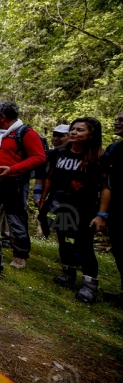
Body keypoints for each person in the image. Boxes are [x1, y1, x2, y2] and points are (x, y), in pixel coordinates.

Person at [39, 117, 110, 303]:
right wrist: (43, 198)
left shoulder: (100, 157)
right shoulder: (58, 154)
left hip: (84, 208)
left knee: (84, 245)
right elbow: (50, 177)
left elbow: (105, 187)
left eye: (79, 130)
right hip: (59, 205)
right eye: (72, 129)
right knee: (64, 239)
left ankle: (89, 285)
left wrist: (101, 215)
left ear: (91, 134)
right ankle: (68, 273)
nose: (73, 132)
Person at [0, 101, 46, 269]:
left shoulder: (26, 133)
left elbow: (39, 157)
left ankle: (20, 254)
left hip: (14, 183)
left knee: (15, 219)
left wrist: (13, 169)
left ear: (2, 117)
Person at [101, 111, 122, 307]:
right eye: (117, 118)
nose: (116, 122)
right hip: (116, 209)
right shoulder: (114, 149)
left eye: (122, 120)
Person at [33, 124, 70, 237]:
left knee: (67, 228)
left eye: (60, 136)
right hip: (52, 198)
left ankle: (70, 250)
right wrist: (38, 196)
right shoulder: (47, 155)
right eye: (54, 135)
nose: (55, 138)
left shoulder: (77, 156)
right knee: (47, 217)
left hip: (70, 198)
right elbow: (40, 177)